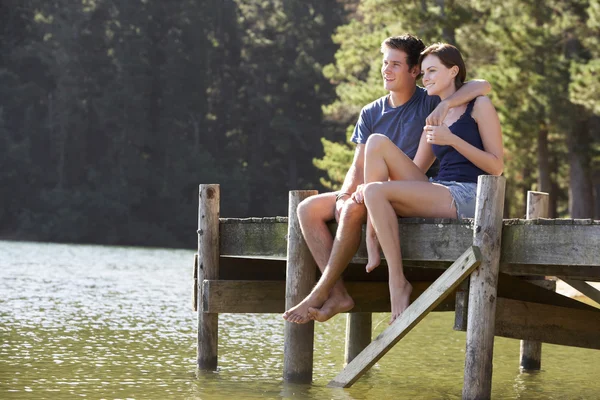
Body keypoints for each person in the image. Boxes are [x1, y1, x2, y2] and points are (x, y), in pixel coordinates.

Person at [282, 35, 492, 324]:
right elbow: (358, 165)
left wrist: (446, 106)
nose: (386, 70)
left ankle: (321, 290)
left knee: (364, 196)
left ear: (413, 70)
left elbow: (481, 86)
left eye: (395, 64)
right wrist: (344, 195)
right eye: (385, 63)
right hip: (379, 188)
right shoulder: (371, 111)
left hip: (411, 188)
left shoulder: (429, 99)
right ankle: (339, 294)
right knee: (308, 209)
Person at [354, 43, 504, 324]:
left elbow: (496, 166)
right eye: (423, 73)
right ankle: (372, 233)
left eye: (433, 71)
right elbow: (417, 169)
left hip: (470, 194)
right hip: (440, 187)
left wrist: (452, 140)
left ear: (453, 71)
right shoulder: (435, 113)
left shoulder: (479, 105)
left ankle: (397, 282)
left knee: (375, 190)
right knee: (376, 143)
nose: (426, 79)